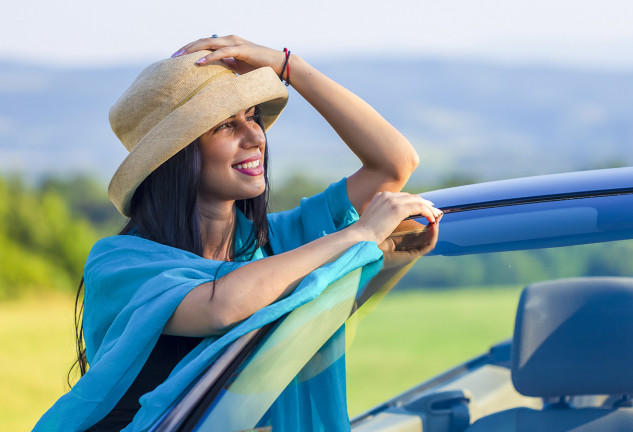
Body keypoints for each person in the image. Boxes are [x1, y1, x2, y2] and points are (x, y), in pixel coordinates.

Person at [33, 35, 442, 432]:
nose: (255, 138)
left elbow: (395, 163)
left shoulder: (279, 244)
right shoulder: (120, 262)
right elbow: (221, 305)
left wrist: (286, 65)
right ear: (177, 156)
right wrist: (358, 235)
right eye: (226, 126)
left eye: (253, 117)